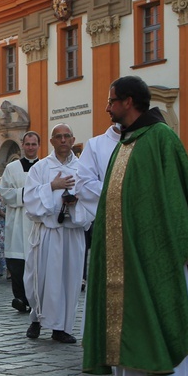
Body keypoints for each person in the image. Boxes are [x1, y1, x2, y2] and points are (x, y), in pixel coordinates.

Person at [82, 75, 188, 376]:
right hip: (126, 252)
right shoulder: (127, 143)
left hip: (156, 250)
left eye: (111, 100)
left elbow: (175, 197)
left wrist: (172, 243)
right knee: (134, 315)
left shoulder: (160, 138)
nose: (107, 107)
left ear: (129, 102)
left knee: (158, 309)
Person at [24, 123, 92, 344]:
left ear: (73, 140)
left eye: (67, 136)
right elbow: (30, 200)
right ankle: (36, 318)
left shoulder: (84, 169)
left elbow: (92, 199)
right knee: (42, 278)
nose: (63, 140)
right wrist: (52, 187)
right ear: (52, 141)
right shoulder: (40, 168)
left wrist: (75, 202)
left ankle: (61, 327)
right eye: (58, 137)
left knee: (69, 279)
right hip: (48, 232)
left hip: (72, 233)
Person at [75, 123, 121, 288]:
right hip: (108, 222)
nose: (108, 108)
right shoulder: (96, 145)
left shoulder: (149, 140)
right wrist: (122, 192)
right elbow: (83, 185)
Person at [0, 131, 41, 313]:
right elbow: (5, 192)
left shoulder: (45, 167)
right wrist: (27, 194)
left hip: (37, 222)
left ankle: (35, 299)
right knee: (17, 264)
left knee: (37, 263)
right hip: (17, 222)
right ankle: (20, 298)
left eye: (34, 144)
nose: (30, 147)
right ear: (22, 145)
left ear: (39, 146)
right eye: (28, 144)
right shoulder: (12, 168)